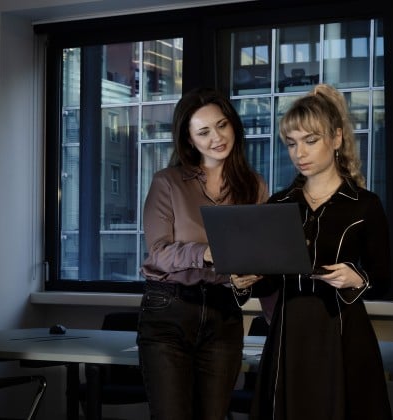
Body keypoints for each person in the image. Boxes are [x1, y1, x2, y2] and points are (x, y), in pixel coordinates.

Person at [245, 84, 393, 420]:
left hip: (342, 331)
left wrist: (359, 278)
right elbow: (267, 284)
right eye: (292, 143)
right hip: (288, 331)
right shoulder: (278, 204)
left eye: (310, 140)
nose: (300, 152)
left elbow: (384, 279)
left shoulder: (365, 205)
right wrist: (245, 282)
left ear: (337, 138)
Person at [138, 87, 268, 420]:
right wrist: (207, 253)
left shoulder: (254, 186)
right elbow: (157, 254)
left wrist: (247, 277)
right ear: (189, 139)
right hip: (169, 310)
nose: (217, 138)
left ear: (234, 126)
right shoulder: (167, 182)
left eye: (222, 125)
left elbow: (255, 257)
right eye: (204, 132)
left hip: (224, 315)